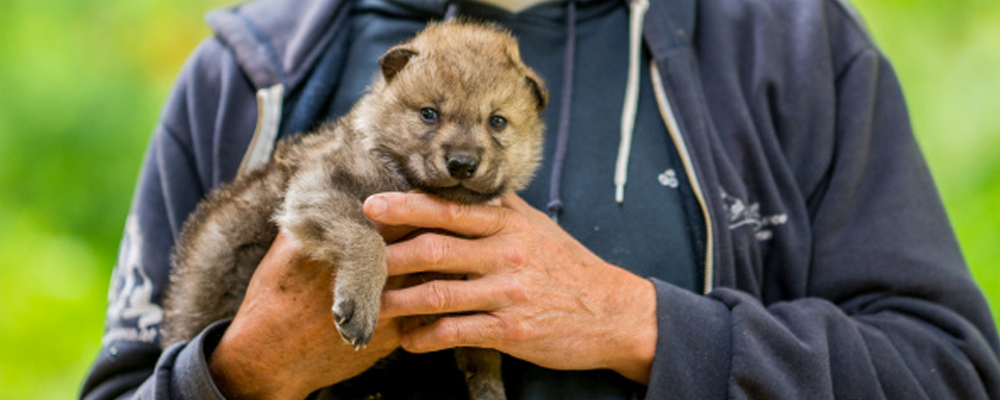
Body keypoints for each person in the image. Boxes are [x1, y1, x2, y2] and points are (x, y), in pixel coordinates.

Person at [81, 0, 1000, 398]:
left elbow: (950, 373)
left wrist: (644, 324)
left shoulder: (790, 50)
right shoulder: (248, 72)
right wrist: (242, 374)